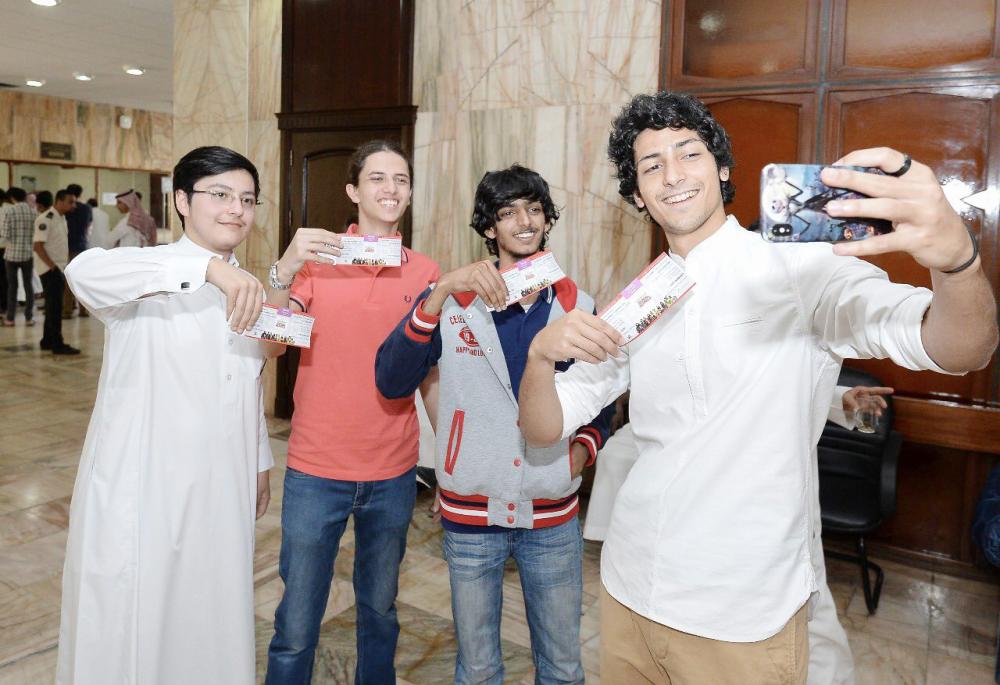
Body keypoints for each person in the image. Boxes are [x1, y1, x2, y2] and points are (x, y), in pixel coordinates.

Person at [517, 91, 997, 684]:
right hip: (629, 586)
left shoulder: (800, 267)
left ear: (722, 168)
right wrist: (539, 357)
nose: (673, 175)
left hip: (742, 612)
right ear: (638, 194)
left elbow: (958, 348)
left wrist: (957, 263)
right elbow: (544, 428)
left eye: (689, 153)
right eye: (652, 165)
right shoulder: (641, 297)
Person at [376, 165, 614, 685]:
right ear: (489, 227)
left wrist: (579, 455)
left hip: (551, 514)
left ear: (547, 220)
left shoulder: (575, 304)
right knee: (478, 667)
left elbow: (601, 401)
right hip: (471, 515)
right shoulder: (454, 304)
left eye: (534, 209)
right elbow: (391, 381)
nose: (524, 222)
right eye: (508, 213)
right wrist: (438, 292)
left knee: (563, 666)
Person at [57, 146, 274, 684]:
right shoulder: (148, 271)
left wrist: (259, 461)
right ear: (181, 200)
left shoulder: (245, 285)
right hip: (148, 490)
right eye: (220, 194)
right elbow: (83, 271)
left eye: (247, 199)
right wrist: (206, 269)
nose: (236, 209)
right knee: (142, 622)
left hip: (221, 483)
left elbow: (247, 379)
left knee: (211, 613)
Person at [264, 139, 440, 684]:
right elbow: (271, 344)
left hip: (393, 469)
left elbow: (429, 371)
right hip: (316, 468)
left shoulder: (426, 272)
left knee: (380, 609)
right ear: (353, 191)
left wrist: (454, 463)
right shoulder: (317, 263)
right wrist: (284, 269)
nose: (391, 189)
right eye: (377, 178)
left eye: (401, 180)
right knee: (297, 621)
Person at [582, 384, 893, 685]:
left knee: (812, 624)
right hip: (703, 531)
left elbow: (787, 387)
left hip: (773, 515)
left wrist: (839, 399)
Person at [33, 189, 80, 355]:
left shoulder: (61, 218)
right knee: (55, 308)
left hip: (59, 267)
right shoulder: (45, 218)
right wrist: (52, 267)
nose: (73, 205)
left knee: (52, 306)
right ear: (59, 201)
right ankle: (57, 344)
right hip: (50, 269)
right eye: (70, 202)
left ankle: (47, 340)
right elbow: (38, 246)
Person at [1, 187, 37, 326]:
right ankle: (29, 318)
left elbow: (5, 235)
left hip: (11, 255)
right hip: (28, 254)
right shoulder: (33, 212)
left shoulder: (9, 211)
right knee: (28, 286)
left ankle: (10, 318)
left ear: (12, 197)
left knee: (12, 287)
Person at [62, 183, 93, 318]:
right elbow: (88, 225)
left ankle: (67, 309)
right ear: (80, 194)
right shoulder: (87, 208)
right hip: (82, 246)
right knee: (81, 280)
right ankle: (83, 310)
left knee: (68, 280)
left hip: (68, 246)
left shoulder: (66, 209)